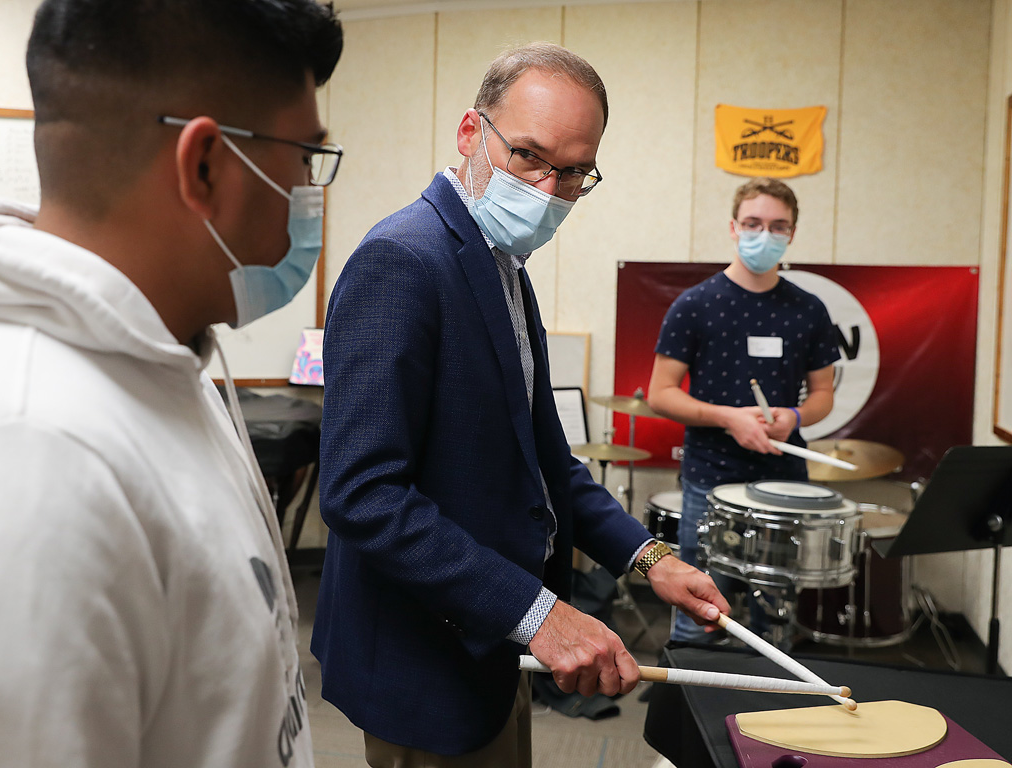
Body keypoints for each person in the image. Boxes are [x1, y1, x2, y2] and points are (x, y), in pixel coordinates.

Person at [0, 1, 342, 766]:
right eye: (305, 156)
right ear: (204, 165)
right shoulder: (14, 456)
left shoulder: (154, 361)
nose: (310, 189)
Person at [311, 43, 730, 767]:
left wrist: (648, 557)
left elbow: (545, 463)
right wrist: (539, 615)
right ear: (470, 132)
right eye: (530, 156)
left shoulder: (503, 264)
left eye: (573, 172)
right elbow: (363, 494)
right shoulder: (402, 259)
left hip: (499, 646)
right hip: (429, 658)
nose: (547, 188)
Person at [647, 177, 840, 645]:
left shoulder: (809, 309)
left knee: (775, 623)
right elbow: (660, 393)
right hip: (710, 480)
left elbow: (822, 395)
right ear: (733, 227)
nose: (763, 234)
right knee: (699, 616)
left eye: (777, 226)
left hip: (784, 483)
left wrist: (795, 417)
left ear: (792, 233)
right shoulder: (695, 305)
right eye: (753, 223)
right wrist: (728, 417)